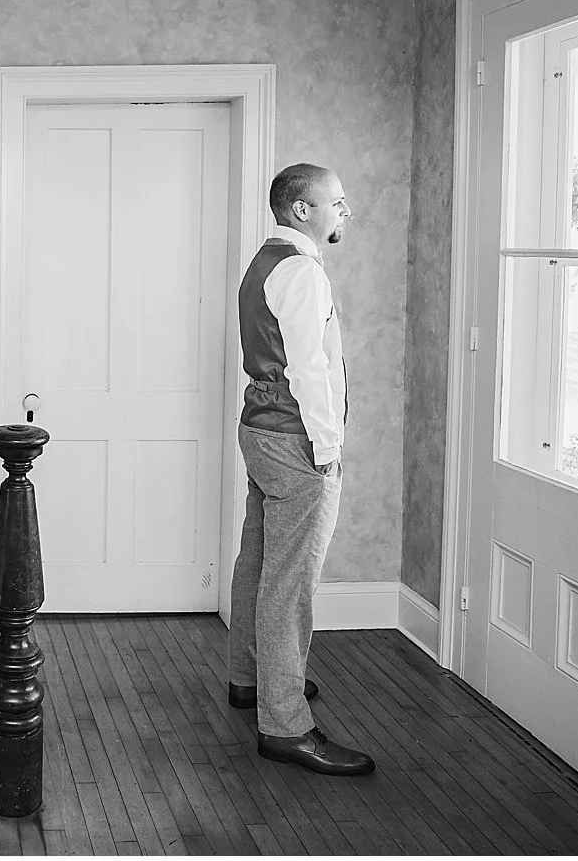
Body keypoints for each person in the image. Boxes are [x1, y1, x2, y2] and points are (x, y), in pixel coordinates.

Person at [226, 162, 376, 776]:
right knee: (289, 584)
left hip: (260, 432)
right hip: (294, 440)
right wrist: (328, 446)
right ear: (300, 209)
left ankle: (250, 680)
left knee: (257, 561)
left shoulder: (264, 262)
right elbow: (309, 368)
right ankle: (285, 724)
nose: (344, 212)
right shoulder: (301, 271)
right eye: (335, 203)